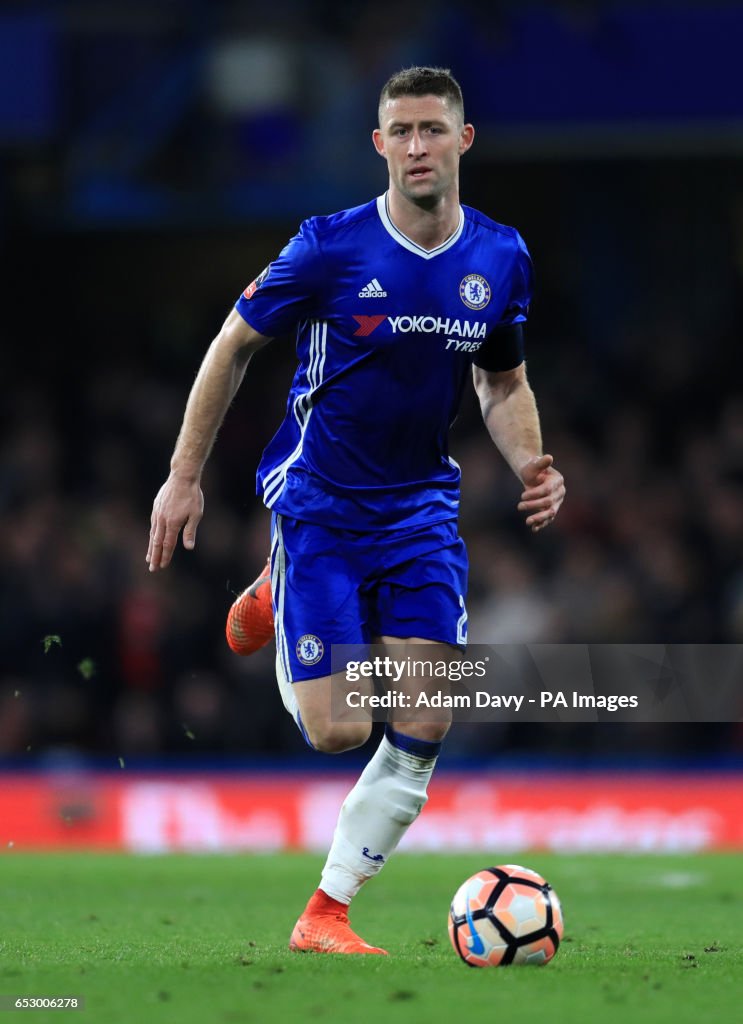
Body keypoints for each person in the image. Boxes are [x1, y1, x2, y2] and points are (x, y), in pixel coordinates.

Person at [147, 66, 565, 955]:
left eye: (432, 129)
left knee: (426, 713)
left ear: (463, 140)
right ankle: (278, 584)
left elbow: (502, 381)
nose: (417, 146)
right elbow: (231, 350)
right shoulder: (329, 248)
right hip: (321, 508)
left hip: (421, 514)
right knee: (339, 729)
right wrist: (183, 477)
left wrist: (531, 461)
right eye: (401, 131)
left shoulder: (499, 257)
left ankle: (325, 913)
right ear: (378, 145)